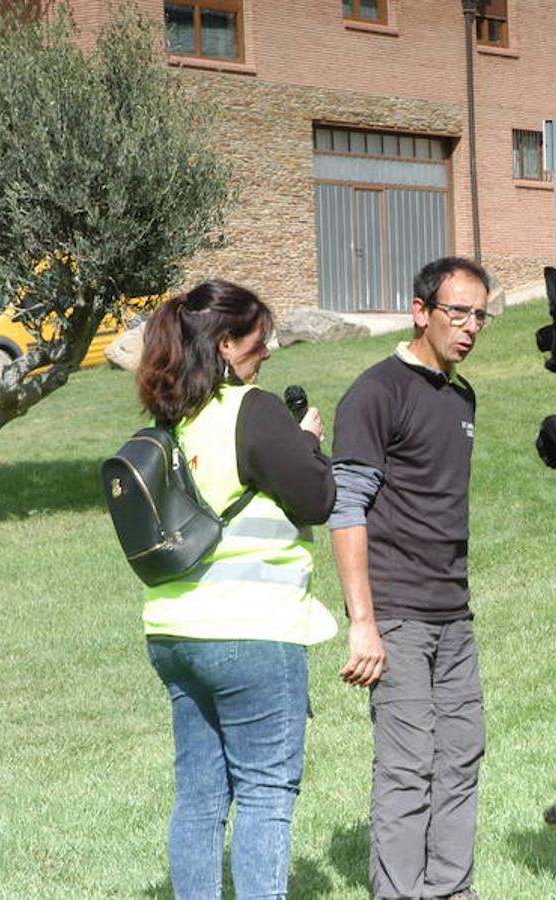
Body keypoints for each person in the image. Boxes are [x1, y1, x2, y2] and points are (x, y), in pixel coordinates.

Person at [136, 280, 337, 899]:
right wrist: (307, 443)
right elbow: (318, 498)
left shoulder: (174, 421)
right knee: (266, 794)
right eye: (260, 339)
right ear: (226, 344)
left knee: (198, 796)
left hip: (174, 632)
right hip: (252, 631)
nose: (268, 350)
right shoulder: (253, 410)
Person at [330, 256, 492, 900]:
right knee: (407, 768)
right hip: (396, 613)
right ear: (420, 311)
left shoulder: (460, 395)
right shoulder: (377, 392)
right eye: (458, 312)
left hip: (454, 613)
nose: (471, 326)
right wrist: (362, 623)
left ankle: (451, 889)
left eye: (481, 314)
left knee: (461, 757)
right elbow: (346, 510)